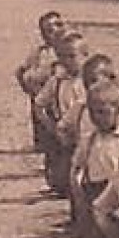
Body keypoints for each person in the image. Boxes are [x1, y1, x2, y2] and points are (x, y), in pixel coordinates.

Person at [68, 69, 119, 238]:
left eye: (104, 112)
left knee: (117, 229)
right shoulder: (90, 138)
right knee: (92, 230)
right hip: (94, 187)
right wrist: (76, 185)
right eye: (93, 112)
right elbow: (78, 163)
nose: (98, 118)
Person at [34, 33, 89, 198]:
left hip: (87, 132)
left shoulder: (89, 80)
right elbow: (39, 105)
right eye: (63, 57)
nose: (67, 61)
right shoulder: (57, 81)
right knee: (66, 178)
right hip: (65, 132)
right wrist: (51, 127)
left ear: (85, 56)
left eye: (72, 56)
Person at [16, 10, 67, 152]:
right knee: (40, 115)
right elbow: (21, 70)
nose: (54, 32)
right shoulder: (40, 52)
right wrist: (27, 87)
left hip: (62, 89)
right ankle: (41, 143)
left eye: (59, 26)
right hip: (42, 90)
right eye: (48, 30)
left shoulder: (69, 49)